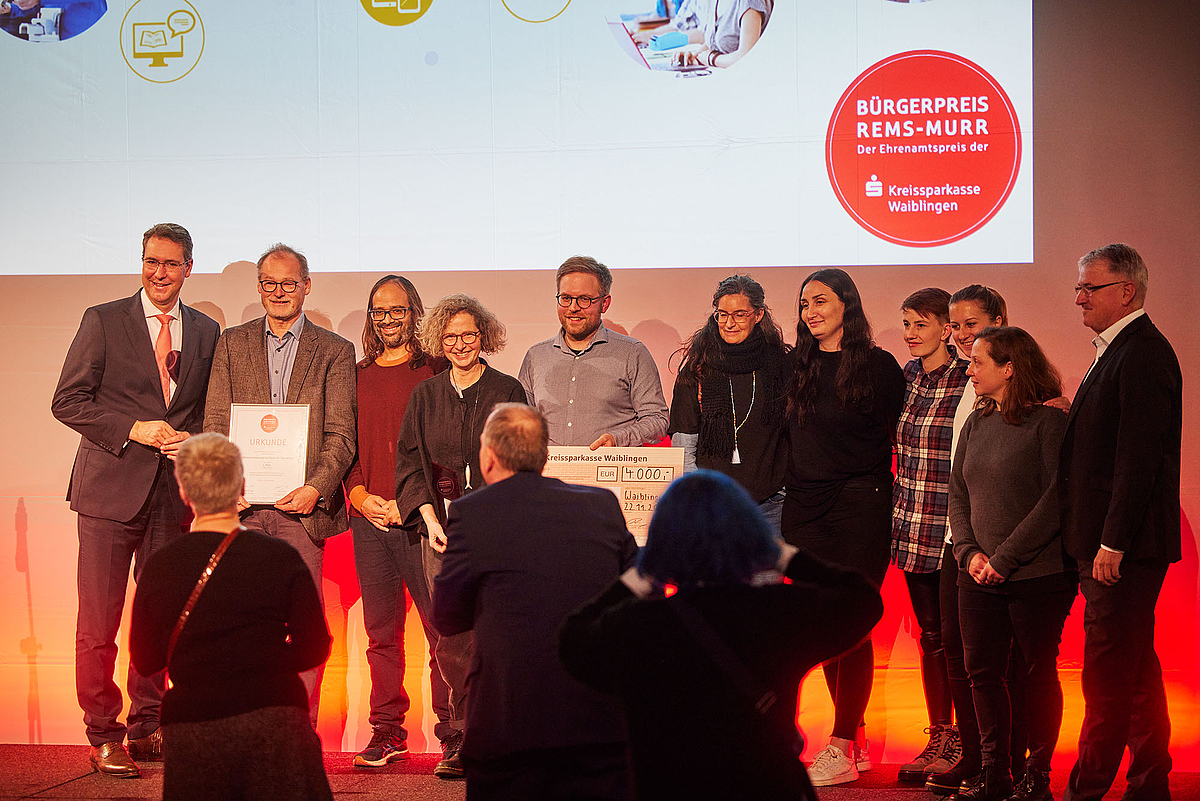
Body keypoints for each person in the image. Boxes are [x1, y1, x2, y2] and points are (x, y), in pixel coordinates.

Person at [560, 470, 883, 800]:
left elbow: (571, 641)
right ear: (748, 533)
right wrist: (783, 556)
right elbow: (864, 601)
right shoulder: (776, 614)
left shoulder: (637, 624)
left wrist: (640, 575)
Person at [50, 222, 220, 777]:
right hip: (107, 494)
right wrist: (134, 429)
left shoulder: (206, 330)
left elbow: (200, 413)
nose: (158, 272)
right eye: (150, 261)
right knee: (98, 624)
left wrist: (195, 440)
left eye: (170, 264)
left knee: (159, 619)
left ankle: (149, 726)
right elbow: (68, 401)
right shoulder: (103, 320)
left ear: (188, 268)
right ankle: (103, 733)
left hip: (171, 499)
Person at [431, 403, 638, 799]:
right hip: (597, 721)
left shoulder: (472, 513)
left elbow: (447, 615)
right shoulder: (602, 504)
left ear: (488, 457)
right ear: (544, 456)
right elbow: (634, 595)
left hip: (509, 724)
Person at [203, 242, 357, 727]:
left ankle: (297, 732)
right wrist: (226, 486)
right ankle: (243, 727)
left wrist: (316, 488)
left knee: (303, 630)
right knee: (237, 626)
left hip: (301, 513)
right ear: (259, 287)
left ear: (306, 286)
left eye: (288, 283)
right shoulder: (232, 343)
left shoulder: (335, 350)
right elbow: (214, 424)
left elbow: (341, 435)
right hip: (243, 511)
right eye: (269, 283)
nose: (278, 292)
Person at [130, 433, 332, 800]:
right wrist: (264, 663)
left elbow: (146, 661)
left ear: (185, 492)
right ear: (241, 485)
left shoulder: (161, 565)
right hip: (276, 715)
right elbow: (316, 647)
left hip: (194, 724)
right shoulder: (280, 557)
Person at [1060, 244, 1181, 801]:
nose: (1079, 296)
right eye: (1080, 286)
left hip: (1122, 549)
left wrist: (1112, 541)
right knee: (1135, 669)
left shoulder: (1143, 354)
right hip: (1111, 544)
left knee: (1107, 676)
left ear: (1125, 291)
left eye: (1091, 287)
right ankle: (1150, 781)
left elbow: (1139, 459)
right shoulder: (1120, 351)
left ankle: (1086, 790)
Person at [781, 268, 905, 786]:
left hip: (860, 505)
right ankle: (852, 737)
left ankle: (841, 742)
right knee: (824, 625)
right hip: (805, 509)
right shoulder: (796, 365)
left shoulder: (879, 367)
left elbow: (910, 424)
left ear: (846, 306)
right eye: (805, 302)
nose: (811, 311)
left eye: (821, 301)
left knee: (852, 625)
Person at [394, 293, 526, 779]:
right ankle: (462, 738)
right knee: (452, 640)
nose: (461, 344)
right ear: (438, 342)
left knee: (502, 635)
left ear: (484, 335)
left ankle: (503, 735)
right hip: (442, 535)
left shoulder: (508, 389)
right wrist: (428, 520)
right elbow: (409, 463)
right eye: (450, 337)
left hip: (499, 533)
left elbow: (523, 461)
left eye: (469, 335)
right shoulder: (424, 395)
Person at [948, 326, 1074, 801]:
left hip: (1037, 575)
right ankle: (994, 772)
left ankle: (1036, 775)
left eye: (978, 361)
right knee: (981, 673)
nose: (970, 368)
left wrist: (1003, 558)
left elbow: (1056, 499)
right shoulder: (977, 422)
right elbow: (958, 492)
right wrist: (969, 552)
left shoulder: (1049, 423)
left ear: (1010, 368)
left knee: (1036, 672)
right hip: (976, 573)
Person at [344, 275, 452, 767]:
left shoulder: (436, 369)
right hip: (370, 519)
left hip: (423, 519)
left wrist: (418, 500)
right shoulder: (356, 373)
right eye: (379, 311)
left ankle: (454, 732)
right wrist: (361, 495)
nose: (388, 319)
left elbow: (449, 446)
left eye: (398, 310)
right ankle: (387, 731)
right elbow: (346, 443)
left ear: (415, 312)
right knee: (381, 632)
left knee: (441, 629)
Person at [926, 284, 1021, 796]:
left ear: (999, 320)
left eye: (971, 324)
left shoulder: (1024, 390)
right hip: (955, 542)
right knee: (960, 658)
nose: (961, 336)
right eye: (955, 326)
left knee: (1006, 664)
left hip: (1004, 550)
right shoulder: (961, 383)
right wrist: (961, 542)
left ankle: (1010, 763)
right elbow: (956, 476)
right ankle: (975, 756)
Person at [890, 288, 968, 783]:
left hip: (956, 528)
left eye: (920, 323)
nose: (910, 333)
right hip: (914, 523)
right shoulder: (907, 377)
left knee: (964, 640)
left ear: (946, 328)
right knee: (932, 637)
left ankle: (978, 740)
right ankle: (942, 735)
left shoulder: (969, 375)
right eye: (906, 323)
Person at [668, 274, 789, 532]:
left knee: (764, 574)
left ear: (758, 315)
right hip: (712, 506)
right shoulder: (697, 368)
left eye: (739, 314)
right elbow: (685, 441)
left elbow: (791, 435)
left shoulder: (780, 365)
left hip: (769, 506)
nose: (729, 323)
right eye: (722, 314)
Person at [518, 255, 669, 449]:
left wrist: (618, 439)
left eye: (584, 299)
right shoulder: (536, 356)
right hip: (550, 475)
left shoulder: (632, 353)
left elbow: (657, 420)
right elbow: (521, 421)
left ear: (604, 303)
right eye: (565, 298)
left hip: (609, 474)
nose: (573, 308)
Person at [674, 0, 772, 69]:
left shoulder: (749, 2)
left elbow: (746, 58)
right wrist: (693, 55)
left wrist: (711, 59)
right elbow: (713, 43)